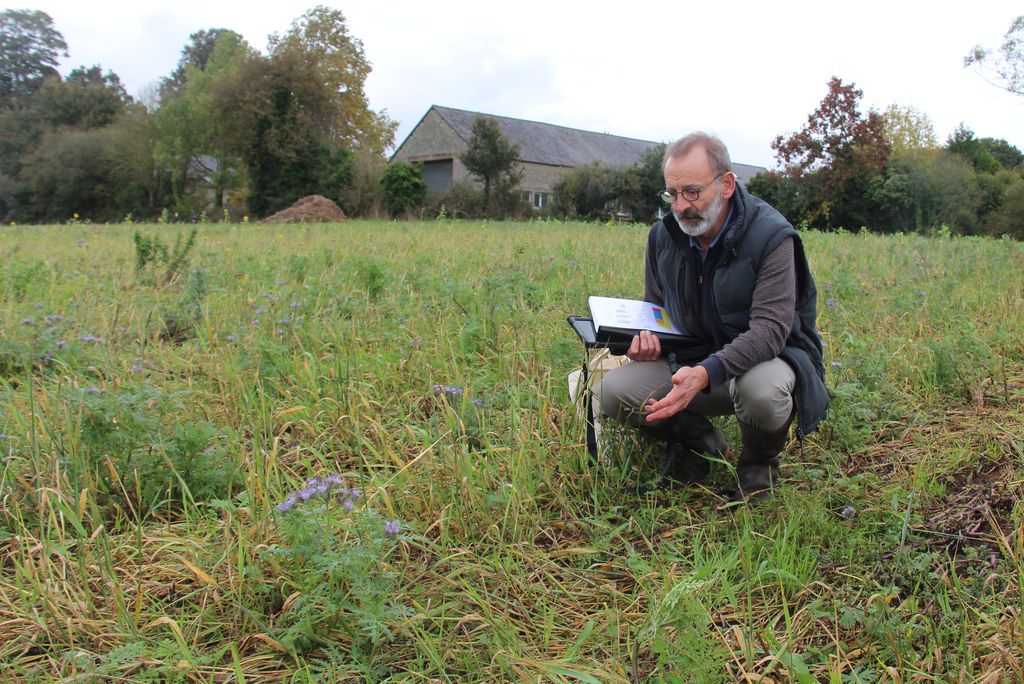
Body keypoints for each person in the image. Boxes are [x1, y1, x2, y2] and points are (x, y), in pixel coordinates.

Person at [596, 132, 828, 502]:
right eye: (671, 194)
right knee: (615, 392)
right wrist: (646, 340)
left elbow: (771, 330)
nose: (681, 206)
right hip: (692, 360)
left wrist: (706, 371)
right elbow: (655, 307)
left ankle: (757, 471)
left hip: (767, 360)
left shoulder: (772, 237)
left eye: (692, 192)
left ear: (726, 184)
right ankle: (702, 451)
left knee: (761, 393)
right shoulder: (663, 237)